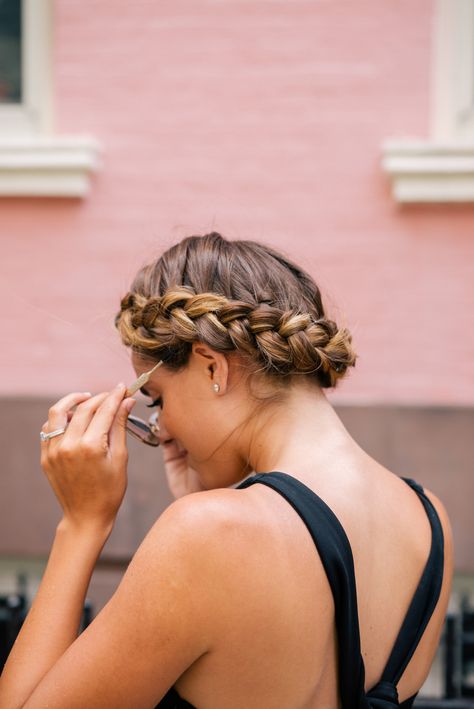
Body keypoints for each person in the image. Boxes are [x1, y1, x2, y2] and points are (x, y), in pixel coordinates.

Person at [0, 232, 453, 708]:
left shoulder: (208, 536)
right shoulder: (428, 518)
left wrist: (81, 523)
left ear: (213, 368)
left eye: (158, 401)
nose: (163, 430)